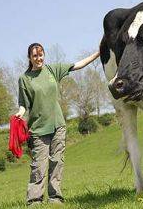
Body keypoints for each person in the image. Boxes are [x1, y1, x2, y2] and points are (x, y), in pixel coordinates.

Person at [15, 43, 100, 205]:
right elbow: (23, 104)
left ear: (44, 55)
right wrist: (19, 113)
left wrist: (98, 52)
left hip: (58, 125)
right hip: (38, 128)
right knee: (39, 165)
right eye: (35, 56)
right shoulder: (24, 79)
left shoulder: (52, 70)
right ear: (29, 58)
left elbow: (77, 65)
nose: (38, 58)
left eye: (41, 55)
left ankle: (55, 197)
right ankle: (34, 200)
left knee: (57, 161)